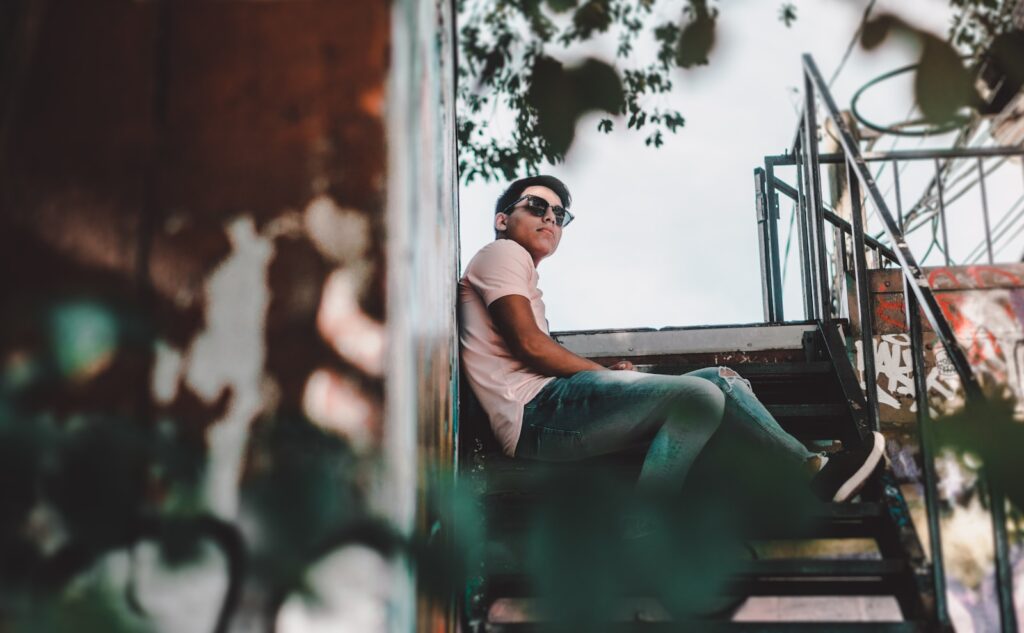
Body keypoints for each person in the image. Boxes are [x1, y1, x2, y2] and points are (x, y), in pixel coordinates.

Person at [457, 175, 884, 505]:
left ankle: (811, 472)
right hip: (535, 414)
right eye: (536, 206)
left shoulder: (521, 273)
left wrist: (608, 381)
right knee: (700, 397)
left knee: (721, 381)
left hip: (551, 413)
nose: (550, 216)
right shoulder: (502, 253)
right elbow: (529, 346)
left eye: (559, 213)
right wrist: (602, 375)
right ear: (502, 220)